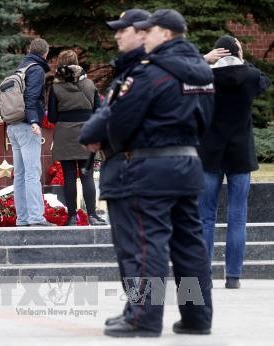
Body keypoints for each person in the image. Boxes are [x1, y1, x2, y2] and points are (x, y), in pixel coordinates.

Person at [85, 9, 215, 337]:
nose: (144, 36)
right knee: (189, 245)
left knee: (146, 244)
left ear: (166, 34)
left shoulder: (151, 72)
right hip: (187, 165)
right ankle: (196, 316)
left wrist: (109, 139)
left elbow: (120, 122)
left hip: (150, 167)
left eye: (150, 30)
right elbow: (207, 121)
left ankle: (143, 315)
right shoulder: (202, 73)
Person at [80, 7, 150, 325]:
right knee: (127, 248)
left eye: (125, 29)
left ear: (144, 32)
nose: (118, 34)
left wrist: (96, 134)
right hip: (121, 166)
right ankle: (134, 310)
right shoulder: (127, 72)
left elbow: (115, 117)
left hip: (133, 167)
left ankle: (141, 313)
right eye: (117, 29)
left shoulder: (143, 72)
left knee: (137, 249)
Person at [198, 35, 271, 289]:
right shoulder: (250, 76)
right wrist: (243, 59)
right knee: (237, 216)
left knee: (206, 216)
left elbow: (181, 78)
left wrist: (202, 60)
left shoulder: (206, 77)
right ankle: (233, 276)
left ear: (216, 52)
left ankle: (203, 273)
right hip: (240, 153)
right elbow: (265, 81)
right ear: (237, 51)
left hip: (210, 152)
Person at [47, 49, 105, 226]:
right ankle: (93, 216)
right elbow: (98, 111)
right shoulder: (89, 85)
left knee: (69, 176)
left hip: (65, 134)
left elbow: (52, 118)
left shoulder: (56, 88)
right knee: (87, 175)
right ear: (77, 63)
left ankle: (72, 216)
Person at [6, 38, 54, 227]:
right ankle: (35, 217)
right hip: (27, 126)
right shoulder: (36, 69)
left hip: (13, 125)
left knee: (19, 174)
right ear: (45, 53)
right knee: (32, 173)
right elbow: (32, 96)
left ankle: (23, 218)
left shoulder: (21, 67)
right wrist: (35, 120)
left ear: (29, 50)